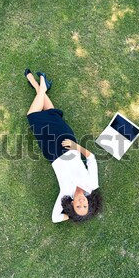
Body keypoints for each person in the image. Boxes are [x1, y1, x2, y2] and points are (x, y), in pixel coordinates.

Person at [25, 69, 103, 223]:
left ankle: (40, 86)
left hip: (51, 152)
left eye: (78, 207)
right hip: (67, 145)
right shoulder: (92, 185)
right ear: (89, 202)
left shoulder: (65, 194)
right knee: (33, 116)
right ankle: (40, 84)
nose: (81, 203)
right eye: (85, 206)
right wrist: (75, 146)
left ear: (72, 206)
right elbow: (91, 158)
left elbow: (55, 218)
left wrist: (71, 216)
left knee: (49, 113)